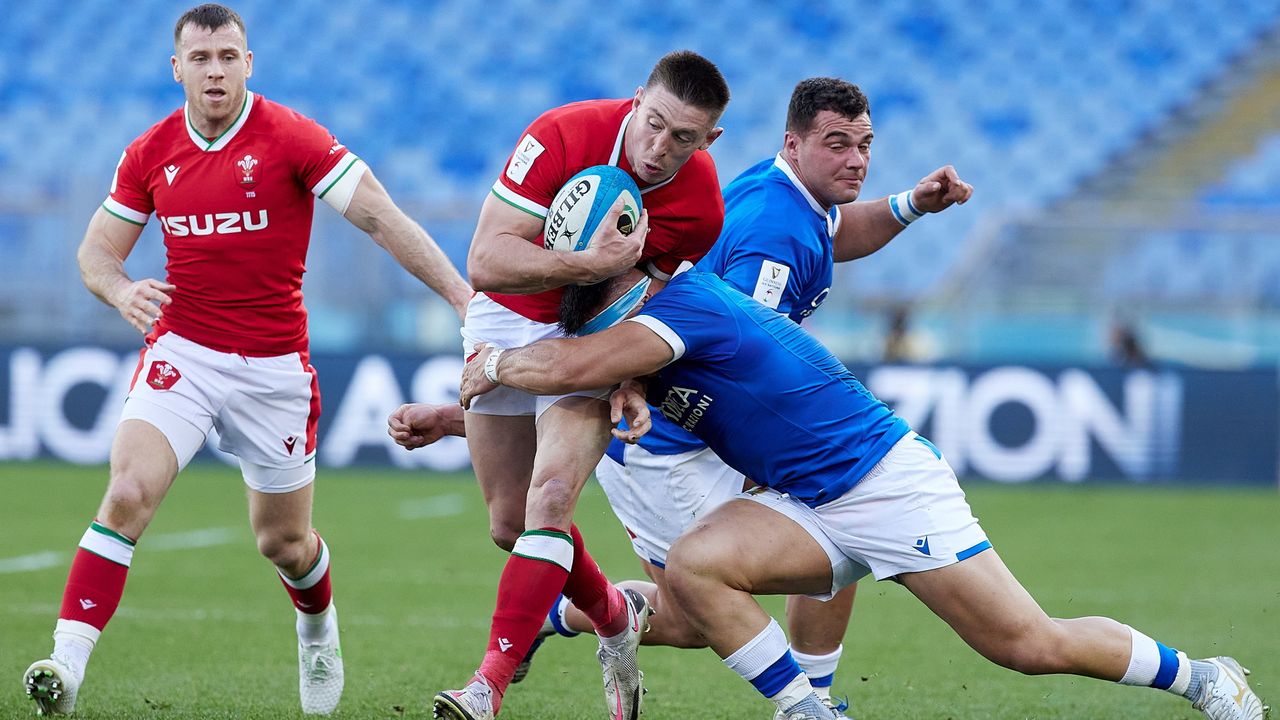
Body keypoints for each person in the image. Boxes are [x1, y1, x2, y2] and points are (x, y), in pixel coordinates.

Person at [394, 77, 974, 717]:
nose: (857, 160)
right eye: (839, 145)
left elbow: (830, 234)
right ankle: (600, 622)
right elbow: (730, 360)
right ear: (796, 142)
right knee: (700, 601)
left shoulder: (768, 196)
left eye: (864, 145)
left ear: (710, 140)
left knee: (807, 537)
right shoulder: (764, 239)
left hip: (643, 396)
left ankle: (806, 696)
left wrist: (909, 206)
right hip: (666, 444)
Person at [454, 266, 1267, 720]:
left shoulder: (684, 303)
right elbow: (585, 389)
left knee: (1027, 646)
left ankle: (1201, 677)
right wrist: (453, 414)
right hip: (804, 500)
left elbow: (566, 370)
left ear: (628, 298)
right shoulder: (641, 346)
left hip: (883, 485)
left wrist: (490, 363)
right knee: (697, 570)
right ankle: (808, 711)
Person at [22, 5, 473, 717]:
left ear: (249, 64)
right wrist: (120, 289)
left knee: (284, 543)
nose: (215, 70)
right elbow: (94, 254)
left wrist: (460, 297)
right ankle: (66, 664)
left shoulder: (290, 137)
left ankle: (317, 625)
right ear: (177, 68)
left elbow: (379, 215)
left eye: (228, 56)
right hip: (183, 350)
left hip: (273, 368)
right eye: (200, 58)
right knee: (129, 492)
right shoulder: (149, 153)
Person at [431, 51, 730, 720]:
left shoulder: (701, 209)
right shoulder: (563, 133)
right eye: (653, 123)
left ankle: (486, 686)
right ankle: (615, 616)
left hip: (588, 340)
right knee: (510, 525)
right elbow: (485, 261)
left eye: (684, 137)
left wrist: (626, 377)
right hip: (507, 318)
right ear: (635, 101)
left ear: (710, 139)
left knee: (553, 496)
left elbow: (639, 307)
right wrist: (582, 261)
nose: (659, 148)